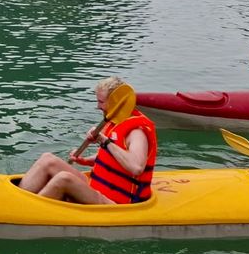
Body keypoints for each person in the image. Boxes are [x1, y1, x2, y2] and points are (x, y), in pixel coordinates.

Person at [18, 76, 157, 204]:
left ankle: (27, 212)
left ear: (116, 102)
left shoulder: (137, 131)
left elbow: (136, 167)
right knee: (47, 160)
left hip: (118, 201)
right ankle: (16, 200)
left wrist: (104, 141)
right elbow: (112, 158)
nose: (98, 106)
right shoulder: (114, 123)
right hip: (98, 185)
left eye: (101, 102)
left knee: (64, 178)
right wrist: (85, 160)